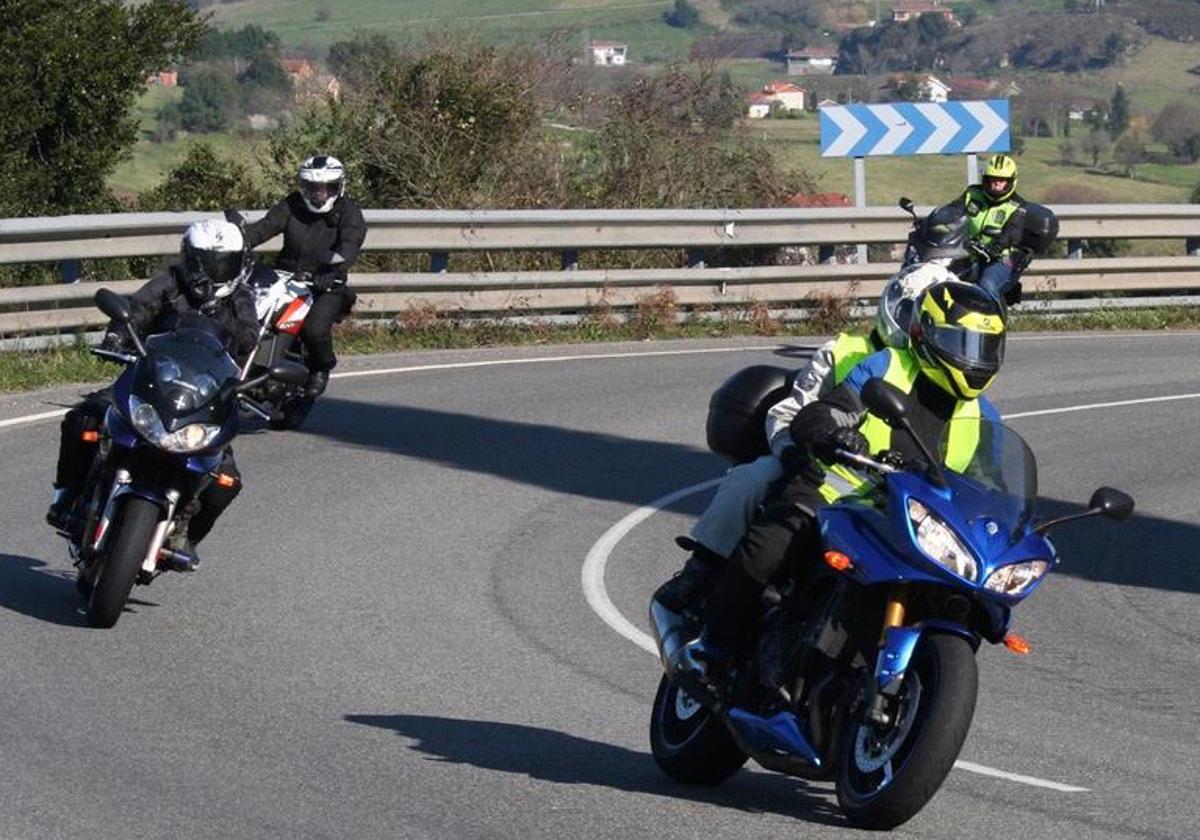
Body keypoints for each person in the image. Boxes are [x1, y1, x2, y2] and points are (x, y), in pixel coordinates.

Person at [676, 280, 1006, 685]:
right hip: (835, 490)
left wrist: (1008, 520)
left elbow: (991, 486)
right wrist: (835, 433)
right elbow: (829, 411)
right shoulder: (886, 366)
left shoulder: (984, 415)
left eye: (985, 348)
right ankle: (713, 646)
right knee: (773, 541)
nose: (974, 360)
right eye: (964, 344)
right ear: (926, 333)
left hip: (905, 522)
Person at [653, 262, 952, 612]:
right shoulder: (846, 350)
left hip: (893, 492)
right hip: (819, 469)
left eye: (929, 322)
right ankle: (700, 572)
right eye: (911, 315)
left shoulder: (941, 374)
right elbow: (788, 413)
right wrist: (794, 453)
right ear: (893, 307)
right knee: (756, 475)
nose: (916, 327)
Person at [47, 219, 259, 563]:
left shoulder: (241, 300)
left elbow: (249, 341)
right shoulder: (170, 284)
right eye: (204, 261)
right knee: (82, 420)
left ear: (237, 264)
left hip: (201, 397)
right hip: (149, 380)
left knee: (226, 480)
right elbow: (139, 308)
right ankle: (66, 495)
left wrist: (247, 381)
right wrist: (118, 335)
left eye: (222, 263)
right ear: (188, 258)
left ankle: (185, 534)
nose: (212, 271)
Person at [239, 154, 367, 397]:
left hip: (327, 282)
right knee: (243, 310)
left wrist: (334, 270)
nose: (319, 193)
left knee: (314, 329)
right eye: (312, 187)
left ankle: (321, 367)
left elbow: (350, 243)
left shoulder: (349, 212)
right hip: (283, 276)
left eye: (326, 188)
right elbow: (265, 227)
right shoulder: (292, 205)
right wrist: (239, 241)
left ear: (339, 187)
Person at [949, 153, 1029, 304]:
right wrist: (931, 222)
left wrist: (995, 248)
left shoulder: (1017, 207)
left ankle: (995, 323)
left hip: (1000, 259)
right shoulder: (972, 194)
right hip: (966, 252)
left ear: (1011, 181)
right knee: (942, 278)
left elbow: (1012, 234)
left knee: (987, 285)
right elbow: (951, 211)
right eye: (992, 179)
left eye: (1002, 180)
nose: (996, 184)